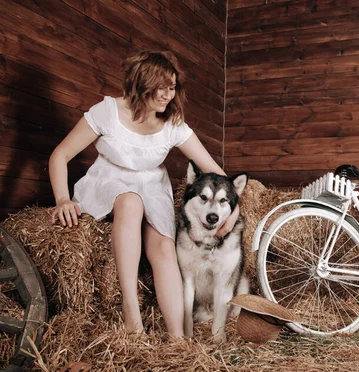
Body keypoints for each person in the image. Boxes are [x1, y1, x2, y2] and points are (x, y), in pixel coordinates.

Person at [48, 50, 239, 338]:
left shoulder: (173, 124)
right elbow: (60, 155)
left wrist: (233, 211)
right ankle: (131, 312)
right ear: (141, 84)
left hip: (151, 185)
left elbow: (215, 172)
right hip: (109, 179)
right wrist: (62, 199)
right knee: (130, 202)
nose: (167, 95)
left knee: (163, 247)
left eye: (172, 87)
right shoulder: (108, 111)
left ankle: (179, 339)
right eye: (161, 87)